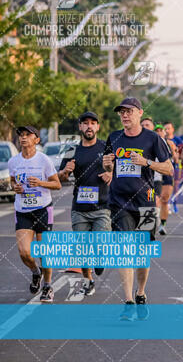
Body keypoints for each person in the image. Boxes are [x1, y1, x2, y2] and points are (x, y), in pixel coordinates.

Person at [102, 97, 173, 320]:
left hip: (146, 200)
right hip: (119, 201)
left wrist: (146, 163)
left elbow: (169, 169)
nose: (125, 115)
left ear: (140, 113)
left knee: (142, 253)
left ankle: (140, 293)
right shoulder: (114, 137)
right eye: (121, 111)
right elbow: (108, 164)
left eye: (129, 111)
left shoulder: (153, 138)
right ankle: (129, 302)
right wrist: (107, 165)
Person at [58, 112, 112, 296]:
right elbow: (60, 178)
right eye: (85, 123)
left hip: (102, 206)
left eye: (93, 123)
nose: (89, 126)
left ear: (98, 127)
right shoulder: (72, 149)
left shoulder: (106, 147)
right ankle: (88, 280)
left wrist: (111, 175)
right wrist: (65, 171)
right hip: (79, 208)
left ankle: (100, 259)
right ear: (80, 127)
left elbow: (121, 170)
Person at [9, 126, 61, 302]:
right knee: (24, 252)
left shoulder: (44, 160)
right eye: (21, 135)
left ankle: (47, 286)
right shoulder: (13, 161)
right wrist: (15, 188)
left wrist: (40, 182)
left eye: (27, 135)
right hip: (23, 210)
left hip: (43, 209)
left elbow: (57, 184)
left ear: (36, 140)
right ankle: (35, 272)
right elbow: (12, 181)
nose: (23, 138)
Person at [155, 124, 179, 236]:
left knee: (164, 199)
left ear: (164, 132)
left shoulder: (169, 143)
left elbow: (176, 159)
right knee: (154, 200)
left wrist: (174, 153)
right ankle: (154, 222)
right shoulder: (150, 142)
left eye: (161, 130)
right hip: (154, 173)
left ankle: (162, 224)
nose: (159, 132)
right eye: (157, 130)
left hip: (167, 173)